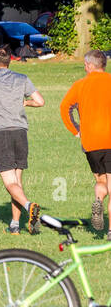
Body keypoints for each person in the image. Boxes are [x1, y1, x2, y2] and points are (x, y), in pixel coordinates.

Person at [0, 45, 45, 234]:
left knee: (10, 182)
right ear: (9, 61)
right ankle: (14, 225)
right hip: (20, 132)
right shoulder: (22, 78)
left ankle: (29, 207)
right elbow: (40, 101)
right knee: (17, 182)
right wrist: (26, 102)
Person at [59, 50, 111, 239]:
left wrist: (76, 130)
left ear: (89, 66)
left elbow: (65, 107)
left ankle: (98, 200)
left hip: (91, 142)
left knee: (101, 181)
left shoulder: (80, 85)